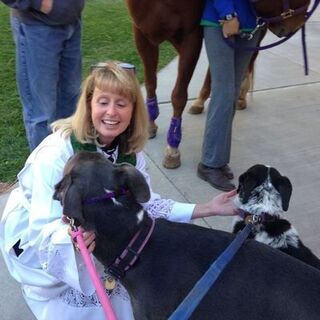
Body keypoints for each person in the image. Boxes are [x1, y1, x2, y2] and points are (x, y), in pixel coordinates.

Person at [0, 61, 239, 320]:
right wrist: (70, 237)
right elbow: (42, 226)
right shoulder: (56, 154)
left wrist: (208, 208)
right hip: (44, 242)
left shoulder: (129, 152)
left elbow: (145, 204)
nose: (111, 112)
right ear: (89, 104)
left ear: (133, 110)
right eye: (103, 102)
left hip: (89, 234)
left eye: (121, 104)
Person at [1, 0, 85, 150]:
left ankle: (68, 164)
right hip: (37, 26)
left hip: (72, 20)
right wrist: (41, 4)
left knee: (71, 102)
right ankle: (44, 170)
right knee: (41, 112)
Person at [197, 0, 263, 191]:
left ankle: (218, 159)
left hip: (252, 25)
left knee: (232, 93)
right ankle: (209, 164)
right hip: (221, 21)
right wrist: (228, 14)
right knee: (223, 92)